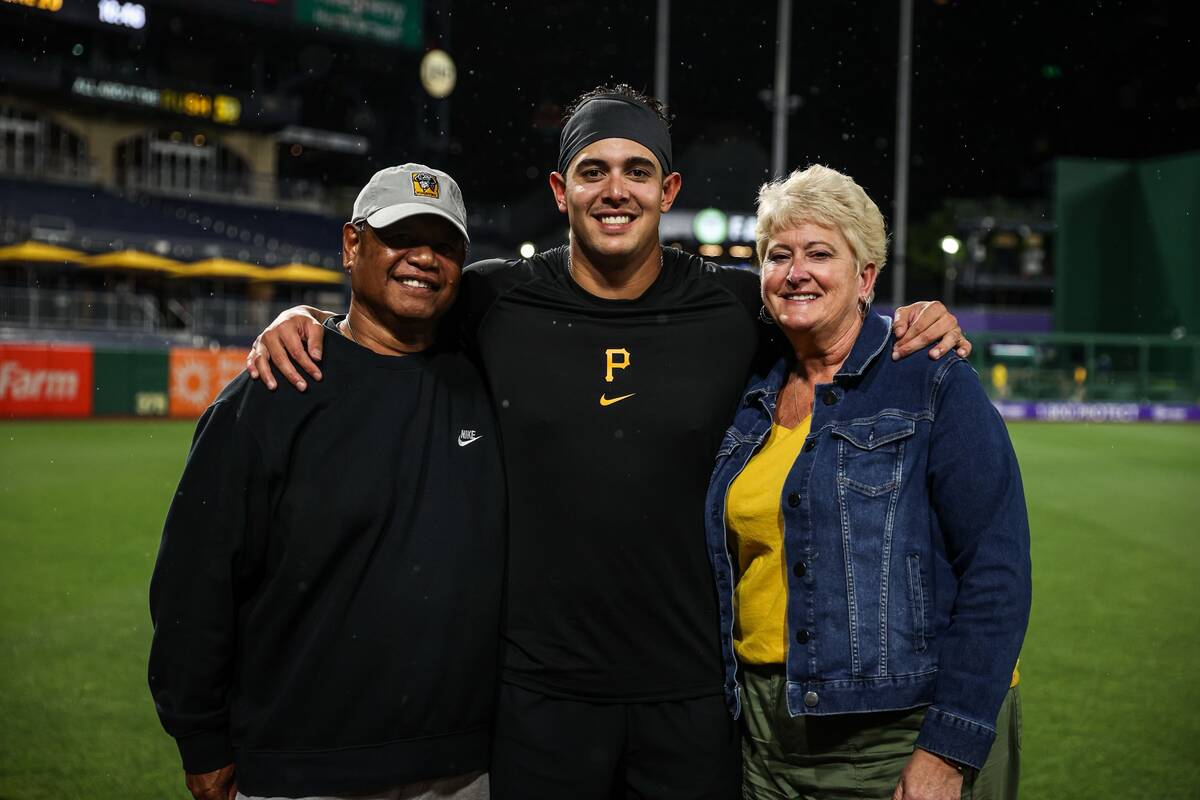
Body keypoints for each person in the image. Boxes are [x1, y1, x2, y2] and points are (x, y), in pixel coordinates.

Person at [245, 85, 971, 799]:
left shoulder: (733, 304)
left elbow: (825, 305)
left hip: (689, 700)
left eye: (637, 170)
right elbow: (395, 302)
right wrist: (307, 316)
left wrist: (914, 318)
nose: (614, 190)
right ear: (562, 190)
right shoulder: (494, 299)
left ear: (667, 188)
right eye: (593, 170)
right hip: (538, 702)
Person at [148, 164, 502, 800]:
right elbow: (193, 582)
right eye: (401, 237)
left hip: (466, 767)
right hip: (302, 767)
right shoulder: (273, 393)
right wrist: (200, 741)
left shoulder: (488, 383)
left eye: (444, 245)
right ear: (351, 246)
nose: (423, 258)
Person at [704, 164, 1030, 800]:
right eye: (778, 255)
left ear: (867, 277)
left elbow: (997, 570)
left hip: (899, 731)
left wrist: (948, 746)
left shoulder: (931, 378)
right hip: (765, 735)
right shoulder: (747, 390)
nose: (796, 271)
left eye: (820, 253)